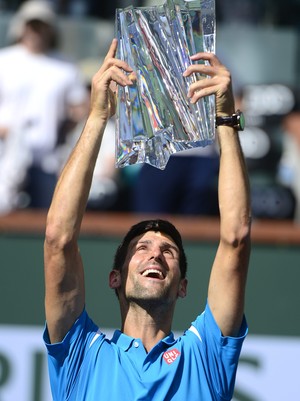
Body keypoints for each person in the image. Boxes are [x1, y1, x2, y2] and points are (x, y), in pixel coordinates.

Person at [43, 39, 252, 400]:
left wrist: (225, 119)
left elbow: (236, 238)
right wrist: (97, 116)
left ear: (183, 287)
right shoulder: (82, 354)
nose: (155, 254)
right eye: (142, 247)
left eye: (168, 251)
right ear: (115, 278)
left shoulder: (205, 355)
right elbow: (58, 240)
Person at [0, 0, 88, 213]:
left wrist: (66, 137)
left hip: (47, 159)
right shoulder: (4, 60)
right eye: (32, 25)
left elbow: (80, 107)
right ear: (21, 26)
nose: (36, 31)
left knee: (47, 217)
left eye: (41, 26)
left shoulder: (66, 66)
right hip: (4, 155)